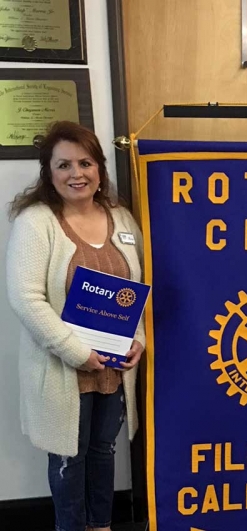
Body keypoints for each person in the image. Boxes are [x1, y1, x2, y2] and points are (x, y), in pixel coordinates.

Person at [6, 121, 145, 531]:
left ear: (100, 168)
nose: (76, 173)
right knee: (69, 457)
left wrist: (137, 338)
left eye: (85, 163)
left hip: (113, 370)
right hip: (64, 369)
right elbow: (26, 299)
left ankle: (101, 525)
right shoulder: (36, 222)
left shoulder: (120, 217)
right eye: (63, 165)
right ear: (48, 172)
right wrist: (78, 353)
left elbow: (135, 287)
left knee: (103, 452)